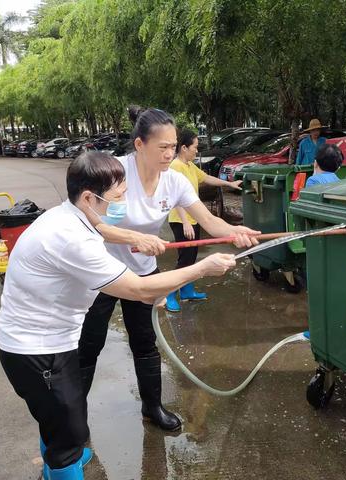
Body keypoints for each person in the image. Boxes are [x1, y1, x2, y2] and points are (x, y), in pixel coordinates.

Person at [0, 151, 236, 480]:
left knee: (59, 422)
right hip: (37, 350)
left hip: (52, 340)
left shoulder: (71, 216)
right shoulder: (71, 237)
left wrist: (139, 239)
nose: (122, 203)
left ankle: (62, 456)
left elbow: (110, 236)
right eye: (118, 197)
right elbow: (138, 289)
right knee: (66, 431)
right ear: (88, 197)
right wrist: (201, 269)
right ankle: (64, 460)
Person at [78, 106, 259, 433]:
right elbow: (91, 219)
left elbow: (208, 220)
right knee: (89, 343)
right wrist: (133, 236)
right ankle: (74, 418)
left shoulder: (174, 180)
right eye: (162, 147)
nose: (169, 153)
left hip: (143, 272)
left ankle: (152, 408)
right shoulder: (116, 173)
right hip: (102, 271)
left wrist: (236, 232)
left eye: (173, 146)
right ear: (138, 145)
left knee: (145, 342)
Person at [166, 129, 243, 313]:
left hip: (193, 218)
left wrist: (229, 184)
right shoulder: (176, 166)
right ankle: (169, 293)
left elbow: (207, 178)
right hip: (180, 220)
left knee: (192, 257)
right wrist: (185, 222)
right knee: (184, 259)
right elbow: (175, 196)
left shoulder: (190, 166)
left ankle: (187, 291)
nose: (196, 151)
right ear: (183, 148)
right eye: (194, 147)